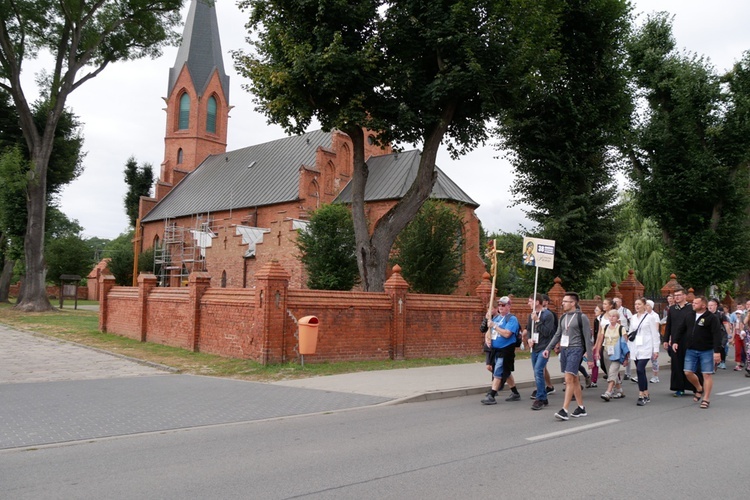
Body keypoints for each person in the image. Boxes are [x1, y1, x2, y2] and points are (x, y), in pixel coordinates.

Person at [543, 292, 594, 421]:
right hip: (565, 350)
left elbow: (588, 339)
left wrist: (590, 358)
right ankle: (581, 408)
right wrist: (548, 348)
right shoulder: (563, 317)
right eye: (563, 301)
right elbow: (557, 334)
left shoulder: (582, 317)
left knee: (568, 379)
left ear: (573, 303)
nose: (563, 303)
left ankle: (564, 410)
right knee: (575, 379)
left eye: (566, 301)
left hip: (576, 349)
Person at [673, 295, 723, 409]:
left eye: (696, 303)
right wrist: (675, 341)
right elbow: (681, 328)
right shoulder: (689, 315)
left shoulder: (711, 318)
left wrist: (717, 351)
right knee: (687, 372)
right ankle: (699, 387)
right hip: (691, 349)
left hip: (706, 350)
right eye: (693, 302)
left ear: (703, 305)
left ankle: (706, 398)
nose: (693, 304)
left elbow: (717, 335)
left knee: (707, 374)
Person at [481, 296, 521, 405]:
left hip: (506, 350)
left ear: (509, 306)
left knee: (498, 371)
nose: (500, 307)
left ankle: (492, 395)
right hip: (496, 350)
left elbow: (507, 334)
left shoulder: (512, 319)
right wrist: (488, 339)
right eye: (499, 305)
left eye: (503, 305)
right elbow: (488, 331)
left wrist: (494, 326)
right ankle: (515, 393)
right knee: (506, 372)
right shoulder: (497, 318)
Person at [664, 287, 700, 397]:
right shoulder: (672, 309)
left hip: (689, 340)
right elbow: (668, 325)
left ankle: (695, 387)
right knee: (676, 364)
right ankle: (679, 388)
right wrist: (666, 339)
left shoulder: (691, 309)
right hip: (675, 340)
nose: (677, 298)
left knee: (691, 364)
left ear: (685, 296)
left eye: (679, 295)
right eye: (675, 296)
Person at [627, 298, 661, 406]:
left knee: (640, 369)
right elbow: (631, 333)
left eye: (639, 304)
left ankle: (641, 394)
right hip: (635, 347)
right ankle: (646, 393)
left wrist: (655, 350)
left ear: (644, 305)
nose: (637, 306)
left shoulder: (650, 318)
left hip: (646, 347)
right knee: (640, 371)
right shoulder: (633, 318)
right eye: (635, 304)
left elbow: (655, 334)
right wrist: (628, 348)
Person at [526, 294, 557, 410]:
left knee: (539, 370)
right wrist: (529, 339)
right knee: (536, 372)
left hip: (544, 347)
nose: (529, 304)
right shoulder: (531, 316)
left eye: (530, 301)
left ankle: (539, 398)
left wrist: (538, 321)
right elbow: (529, 329)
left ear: (537, 302)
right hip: (534, 347)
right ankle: (543, 397)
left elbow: (547, 332)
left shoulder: (548, 315)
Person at [594, 309, 626, 401]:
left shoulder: (621, 328)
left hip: (617, 353)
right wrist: (597, 352)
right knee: (610, 372)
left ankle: (608, 392)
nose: (611, 318)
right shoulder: (605, 327)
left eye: (614, 316)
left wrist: (626, 357)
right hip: (606, 352)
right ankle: (619, 390)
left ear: (617, 318)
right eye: (610, 316)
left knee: (612, 371)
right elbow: (600, 339)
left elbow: (625, 343)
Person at [645, 300, 661, 383]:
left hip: (653, 339)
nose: (646, 307)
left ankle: (655, 376)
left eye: (647, 305)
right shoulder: (643, 315)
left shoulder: (655, 315)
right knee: (642, 357)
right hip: (645, 340)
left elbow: (656, 327)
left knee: (653, 358)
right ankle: (640, 374)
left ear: (651, 306)